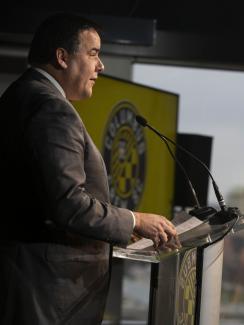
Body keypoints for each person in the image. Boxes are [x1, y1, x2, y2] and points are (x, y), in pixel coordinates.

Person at [0, 12, 179, 324]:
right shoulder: (53, 109)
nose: (101, 65)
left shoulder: (18, 95)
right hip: (48, 293)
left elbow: (40, 199)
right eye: (94, 53)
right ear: (62, 57)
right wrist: (135, 220)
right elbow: (67, 204)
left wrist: (117, 229)